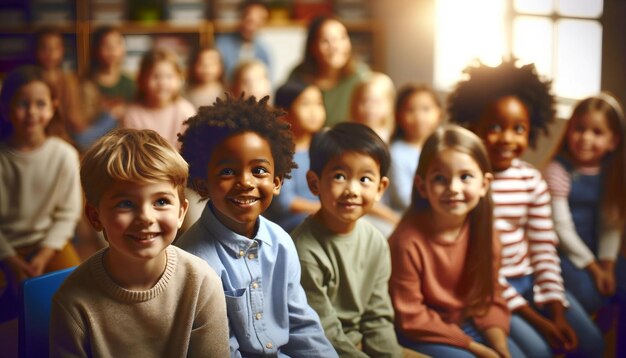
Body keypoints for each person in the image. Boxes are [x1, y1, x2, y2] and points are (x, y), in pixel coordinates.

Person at [448, 59, 604, 357]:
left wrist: (556, 311)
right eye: (494, 127)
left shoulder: (531, 180)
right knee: (540, 351)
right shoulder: (466, 184)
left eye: (518, 128)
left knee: (592, 343)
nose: (507, 138)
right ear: (472, 126)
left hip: (532, 282)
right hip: (489, 292)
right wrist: (541, 323)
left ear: (531, 130)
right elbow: (478, 269)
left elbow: (544, 248)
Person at [176, 94, 337, 357]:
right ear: (203, 182)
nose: (246, 182)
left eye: (259, 171)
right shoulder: (194, 261)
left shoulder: (282, 242)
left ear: (277, 181)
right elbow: (217, 349)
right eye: (228, 171)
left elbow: (302, 326)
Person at [49, 128, 230, 357]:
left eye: (161, 201)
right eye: (125, 204)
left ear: (181, 212)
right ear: (95, 217)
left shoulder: (202, 282)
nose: (146, 217)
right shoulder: (72, 303)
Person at [389, 125, 521, 358]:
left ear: (484, 184)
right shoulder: (406, 242)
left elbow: (487, 297)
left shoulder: (485, 233)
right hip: (423, 331)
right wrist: (476, 348)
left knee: (535, 351)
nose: (453, 188)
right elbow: (411, 317)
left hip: (468, 319)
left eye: (465, 177)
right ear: (422, 186)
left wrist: (500, 347)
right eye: (440, 178)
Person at [291, 122, 413, 357]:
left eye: (365, 179)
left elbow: (377, 316)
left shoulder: (376, 242)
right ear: (314, 183)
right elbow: (322, 331)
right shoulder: (304, 250)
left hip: (360, 346)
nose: (352, 190)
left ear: (380, 187)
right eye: (339, 176)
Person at [543, 93, 626, 354]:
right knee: (591, 293)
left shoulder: (611, 173)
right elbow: (562, 228)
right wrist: (594, 268)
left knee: (621, 283)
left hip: (595, 251)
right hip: (564, 252)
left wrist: (608, 264)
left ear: (613, 141)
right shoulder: (558, 170)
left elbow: (610, 225)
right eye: (579, 129)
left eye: (597, 132)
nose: (586, 138)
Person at [0, 65, 81, 321]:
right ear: (6, 108)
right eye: (23, 104)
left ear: (53, 106)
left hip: (50, 244)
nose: (32, 112)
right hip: (5, 248)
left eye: (40, 104)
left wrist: (44, 254)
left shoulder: (64, 155)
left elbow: (68, 213)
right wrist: (10, 261)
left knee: (76, 294)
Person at [265, 80, 324, 232]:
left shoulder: (324, 146)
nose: (314, 111)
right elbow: (285, 203)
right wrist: (327, 210)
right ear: (283, 112)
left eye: (318, 103)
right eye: (305, 104)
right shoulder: (278, 151)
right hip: (291, 224)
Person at [289, 15, 370, 126]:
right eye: (325, 41)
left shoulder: (361, 77)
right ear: (312, 46)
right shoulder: (298, 76)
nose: (335, 47)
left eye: (342, 38)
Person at [385, 84, 443, 215]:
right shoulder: (396, 153)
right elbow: (403, 198)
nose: (419, 117)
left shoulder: (443, 149)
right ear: (398, 116)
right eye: (410, 110)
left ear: (439, 114)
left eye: (426, 109)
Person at [121, 48, 195, 149]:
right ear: (142, 80)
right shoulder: (132, 114)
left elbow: (191, 149)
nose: (162, 83)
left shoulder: (186, 111)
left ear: (180, 79)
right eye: (156, 76)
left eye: (169, 76)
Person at [34, 27, 85, 136]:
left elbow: (74, 115)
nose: (51, 53)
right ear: (36, 50)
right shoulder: (32, 80)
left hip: (68, 130)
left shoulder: (68, 79)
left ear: (62, 50)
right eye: (45, 48)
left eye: (55, 48)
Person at [216, 0, 272, 83]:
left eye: (258, 22)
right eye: (249, 21)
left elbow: (268, 83)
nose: (251, 27)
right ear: (241, 18)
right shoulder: (221, 45)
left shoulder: (263, 53)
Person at [88, 25, 136, 119]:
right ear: (95, 50)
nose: (112, 49)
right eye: (106, 45)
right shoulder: (86, 83)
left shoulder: (130, 84)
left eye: (117, 44)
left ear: (124, 50)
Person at [350, 72, 396, 143]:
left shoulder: (393, 138)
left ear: (389, 104)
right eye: (364, 101)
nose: (369, 107)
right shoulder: (348, 135)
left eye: (376, 102)